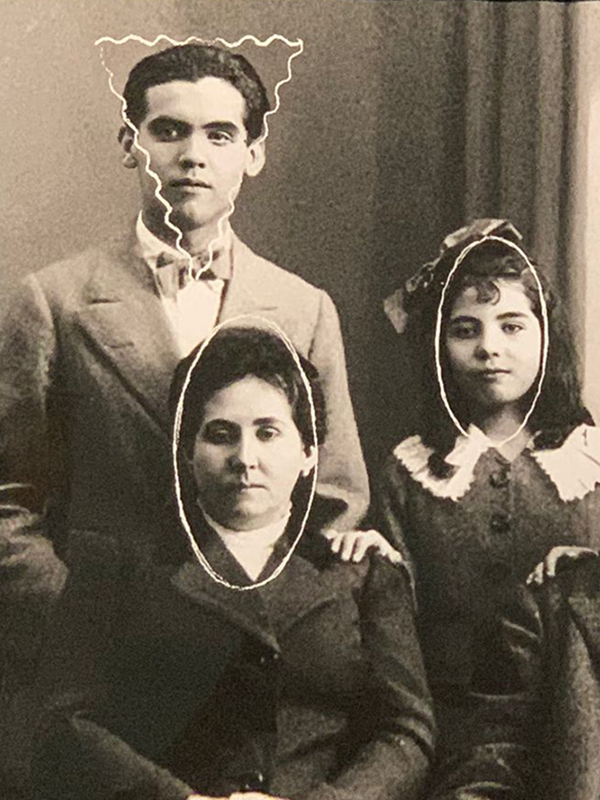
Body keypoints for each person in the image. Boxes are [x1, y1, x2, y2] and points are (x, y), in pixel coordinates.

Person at [0, 43, 371, 785]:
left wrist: (272, 634)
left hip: (254, 688)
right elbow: (8, 501)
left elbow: (334, 500)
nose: (192, 155)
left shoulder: (302, 309)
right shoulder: (55, 301)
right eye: (168, 131)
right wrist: (80, 622)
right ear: (129, 142)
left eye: (219, 134)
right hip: (103, 689)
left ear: (254, 154)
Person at [31, 326, 434, 800]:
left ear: (308, 453)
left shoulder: (363, 574)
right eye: (221, 435)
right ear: (187, 451)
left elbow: (407, 733)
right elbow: (62, 722)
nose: (245, 458)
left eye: (268, 433)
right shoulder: (117, 566)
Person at [379, 218, 599, 796]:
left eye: (512, 326)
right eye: (465, 330)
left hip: (583, 723)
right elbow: (394, 628)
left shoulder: (589, 461)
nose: (489, 347)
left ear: (546, 336)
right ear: (440, 346)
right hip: (454, 735)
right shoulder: (412, 471)